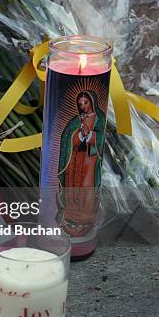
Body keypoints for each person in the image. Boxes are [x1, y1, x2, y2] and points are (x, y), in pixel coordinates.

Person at [57, 90, 106, 237]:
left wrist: (90, 135)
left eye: (85, 102)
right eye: (80, 104)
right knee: (73, 184)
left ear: (92, 102)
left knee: (86, 185)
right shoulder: (76, 120)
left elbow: (101, 136)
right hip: (74, 159)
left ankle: (85, 216)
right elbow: (66, 136)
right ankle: (71, 215)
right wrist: (78, 135)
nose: (83, 106)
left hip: (90, 159)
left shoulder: (99, 118)